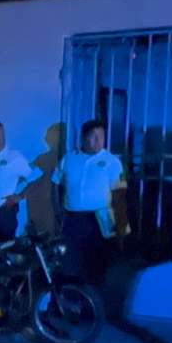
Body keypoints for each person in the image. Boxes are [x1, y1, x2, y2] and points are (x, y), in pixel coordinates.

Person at [52, 120, 127, 288]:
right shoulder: (69, 159)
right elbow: (56, 184)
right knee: (69, 266)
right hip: (73, 220)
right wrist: (57, 212)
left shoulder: (112, 162)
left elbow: (119, 196)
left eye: (101, 137)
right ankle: (67, 306)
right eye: (93, 137)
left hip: (99, 221)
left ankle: (92, 309)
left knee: (96, 268)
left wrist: (122, 228)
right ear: (83, 138)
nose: (98, 141)